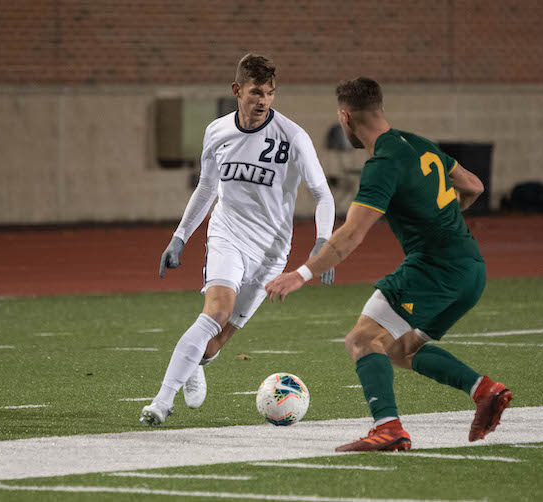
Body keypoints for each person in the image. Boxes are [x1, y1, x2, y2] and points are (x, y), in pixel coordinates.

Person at [265, 77, 512, 452]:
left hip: (435, 270)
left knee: (362, 340)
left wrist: (301, 274)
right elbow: (474, 186)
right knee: (401, 349)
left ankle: (388, 428)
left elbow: (351, 235)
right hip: (471, 270)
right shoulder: (418, 144)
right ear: (380, 109)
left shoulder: (382, 164)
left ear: (346, 117)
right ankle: (485, 391)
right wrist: (440, 217)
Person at [141, 53, 335, 426]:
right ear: (237, 90)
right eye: (256, 92)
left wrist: (323, 240)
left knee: (214, 341)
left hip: (271, 253)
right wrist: (180, 236)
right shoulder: (217, 132)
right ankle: (161, 403)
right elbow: (207, 186)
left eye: (270, 93)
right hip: (226, 235)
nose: (263, 101)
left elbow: (323, 194)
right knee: (215, 312)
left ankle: (197, 361)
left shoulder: (293, 137)